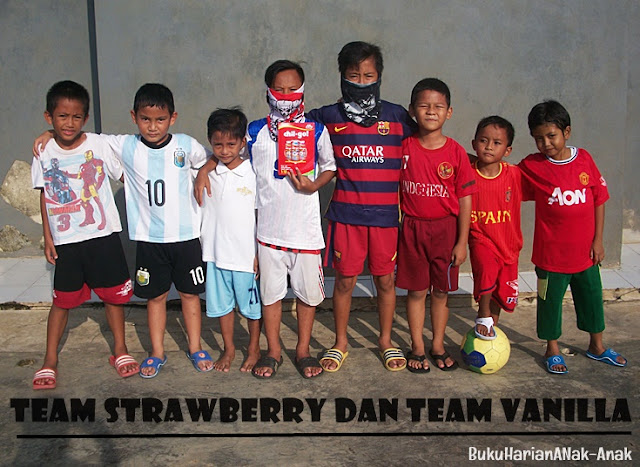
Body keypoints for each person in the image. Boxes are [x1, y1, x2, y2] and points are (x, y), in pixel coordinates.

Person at [34, 83, 213, 378]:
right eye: (145, 119)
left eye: (160, 119)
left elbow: (212, 158)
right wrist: (50, 134)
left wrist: (204, 171)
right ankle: (157, 352)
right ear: (133, 117)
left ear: (173, 118)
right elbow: (74, 132)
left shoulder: (186, 144)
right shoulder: (123, 145)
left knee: (190, 295)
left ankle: (195, 347)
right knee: (155, 297)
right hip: (149, 239)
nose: (152, 126)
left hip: (185, 238)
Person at [195, 60, 336, 379]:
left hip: (306, 233)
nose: (286, 96)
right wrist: (205, 168)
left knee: (307, 296)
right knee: (270, 297)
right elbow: (228, 151)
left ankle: (303, 350)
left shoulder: (316, 130)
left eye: (292, 89)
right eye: (279, 90)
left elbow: (329, 166)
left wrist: (314, 185)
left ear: (303, 91)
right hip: (268, 234)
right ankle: (273, 351)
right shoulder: (255, 131)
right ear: (268, 92)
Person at [307, 41, 415, 372]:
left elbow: (428, 144)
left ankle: (386, 340)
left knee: (386, 282)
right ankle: (340, 342)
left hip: (386, 219)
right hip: (346, 217)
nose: (362, 82)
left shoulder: (398, 116)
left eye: (369, 76)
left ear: (379, 76)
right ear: (342, 76)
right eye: (354, 76)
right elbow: (287, 132)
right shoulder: (327, 117)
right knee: (344, 282)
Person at [31, 80, 137, 389]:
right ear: (49, 117)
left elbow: (125, 171)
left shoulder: (99, 145)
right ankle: (50, 359)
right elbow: (45, 194)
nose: (69, 123)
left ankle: (120, 349)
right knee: (62, 302)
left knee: (113, 298)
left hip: (103, 237)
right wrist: (48, 237)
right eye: (62, 116)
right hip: (67, 241)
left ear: (86, 118)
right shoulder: (43, 150)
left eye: (76, 116)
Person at [519, 100, 627, 374]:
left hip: (585, 255)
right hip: (550, 257)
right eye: (538, 138)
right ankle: (552, 349)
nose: (546, 143)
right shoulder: (532, 166)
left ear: (566, 132)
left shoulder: (585, 159)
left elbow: (599, 199)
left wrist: (598, 240)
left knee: (592, 300)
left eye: (551, 135)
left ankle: (597, 346)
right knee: (550, 304)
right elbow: (501, 177)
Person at [396, 78, 477, 372]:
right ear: (412, 111)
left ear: (449, 112)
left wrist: (462, 241)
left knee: (441, 292)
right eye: (424, 106)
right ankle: (417, 346)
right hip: (413, 229)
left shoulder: (455, 152)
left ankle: (438, 345)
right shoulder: (403, 148)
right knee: (417, 291)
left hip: (446, 231)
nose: (431, 111)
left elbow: (465, 199)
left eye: (438, 106)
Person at [200, 108, 261, 372]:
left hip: (245, 256)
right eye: (218, 145)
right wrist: (205, 168)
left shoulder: (253, 173)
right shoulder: (207, 170)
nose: (224, 151)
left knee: (251, 309)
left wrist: (258, 253)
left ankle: (254, 348)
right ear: (210, 142)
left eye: (231, 144)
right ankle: (229, 349)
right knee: (222, 307)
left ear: (242, 142)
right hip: (215, 255)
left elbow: (260, 216)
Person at [469, 116, 523, 340]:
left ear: (507, 150)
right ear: (474, 144)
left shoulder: (515, 175)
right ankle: (483, 315)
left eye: (497, 143)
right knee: (486, 270)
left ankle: (492, 322)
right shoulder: (467, 172)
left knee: (501, 291)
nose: (489, 146)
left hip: (508, 244)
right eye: (483, 140)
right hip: (480, 238)